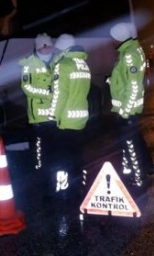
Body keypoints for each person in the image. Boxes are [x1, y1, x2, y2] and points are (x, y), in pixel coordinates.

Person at [108, 23, 154, 189]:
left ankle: (138, 179)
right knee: (134, 142)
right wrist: (112, 81)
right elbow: (125, 81)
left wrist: (125, 112)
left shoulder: (129, 55)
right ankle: (146, 168)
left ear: (119, 38)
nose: (111, 41)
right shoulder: (128, 52)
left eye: (113, 38)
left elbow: (133, 86)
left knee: (131, 145)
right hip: (126, 109)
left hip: (127, 110)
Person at [46, 33, 91, 198]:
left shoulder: (63, 65)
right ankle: (78, 187)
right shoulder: (82, 64)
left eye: (58, 49)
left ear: (63, 48)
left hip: (65, 120)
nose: (56, 52)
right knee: (77, 156)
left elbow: (60, 94)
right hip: (79, 118)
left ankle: (63, 191)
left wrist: (52, 116)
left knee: (62, 159)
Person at [18, 34, 55, 173]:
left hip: (55, 114)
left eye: (49, 45)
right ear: (38, 47)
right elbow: (27, 87)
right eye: (44, 46)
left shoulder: (57, 60)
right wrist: (48, 95)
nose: (47, 49)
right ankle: (38, 171)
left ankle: (51, 168)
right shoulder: (29, 64)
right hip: (39, 116)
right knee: (39, 148)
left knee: (53, 148)